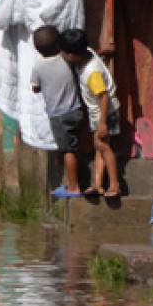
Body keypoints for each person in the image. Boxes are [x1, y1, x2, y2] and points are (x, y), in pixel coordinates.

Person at [63, 28, 122, 197]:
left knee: (103, 146)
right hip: (98, 112)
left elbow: (103, 97)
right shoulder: (87, 52)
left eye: (65, 54)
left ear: (73, 55)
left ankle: (114, 185)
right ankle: (97, 184)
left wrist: (102, 122)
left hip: (105, 112)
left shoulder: (92, 73)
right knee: (99, 147)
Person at [31, 25, 85, 198]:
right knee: (74, 145)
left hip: (58, 116)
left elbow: (35, 88)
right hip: (76, 109)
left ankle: (73, 187)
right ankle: (74, 182)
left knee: (67, 150)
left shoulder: (38, 66)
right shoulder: (66, 59)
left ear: (37, 49)